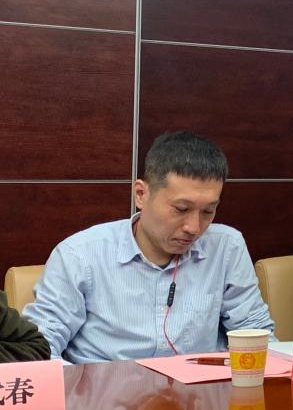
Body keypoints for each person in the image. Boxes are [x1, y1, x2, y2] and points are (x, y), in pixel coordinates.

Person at [24, 131, 274, 363]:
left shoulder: (226, 247)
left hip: (202, 393)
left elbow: (256, 334)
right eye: (181, 209)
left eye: (208, 211)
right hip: (107, 392)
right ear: (141, 194)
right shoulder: (80, 255)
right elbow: (39, 348)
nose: (194, 227)